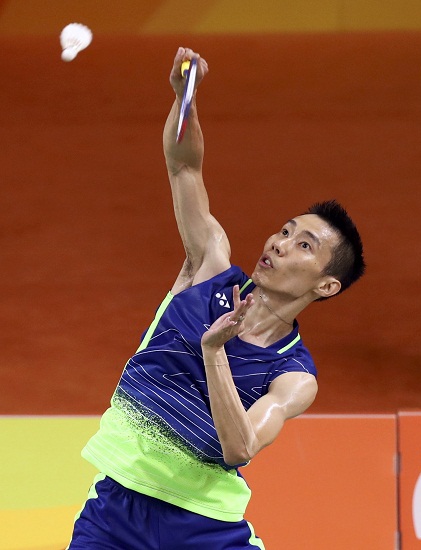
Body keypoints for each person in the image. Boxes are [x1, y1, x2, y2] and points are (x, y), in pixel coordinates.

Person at [67, 47, 365, 549]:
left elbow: (240, 446)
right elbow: (184, 169)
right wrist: (186, 98)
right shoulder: (209, 268)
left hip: (205, 529)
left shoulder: (294, 377)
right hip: (116, 509)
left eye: (304, 245)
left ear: (326, 285)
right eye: (286, 231)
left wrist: (214, 353)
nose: (279, 243)